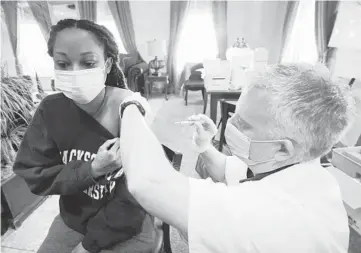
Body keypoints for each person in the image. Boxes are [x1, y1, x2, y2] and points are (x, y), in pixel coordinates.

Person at [118, 63, 354, 253]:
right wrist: (205, 147)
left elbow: (148, 184)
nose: (229, 125)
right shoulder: (304, 169)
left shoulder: (271, 217)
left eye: (243, 124)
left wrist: (131, 104)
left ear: (283, 149)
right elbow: (229, 171)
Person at [13, 19, 155, 253]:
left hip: (126, 226)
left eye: (88, 62)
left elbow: (136, 196)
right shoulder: (50, 109)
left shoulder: (129, 109)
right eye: (63, 63)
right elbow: (34, 172)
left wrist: (88, 246)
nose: (75, 72)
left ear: (107, 64)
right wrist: (92, 169)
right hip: (75, 219)